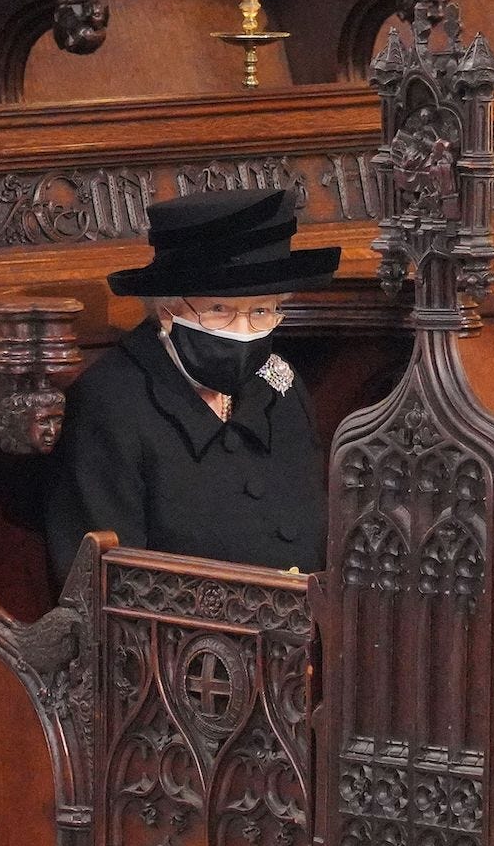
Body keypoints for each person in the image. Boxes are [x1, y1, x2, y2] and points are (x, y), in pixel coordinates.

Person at [44, 188, 341, 585]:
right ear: (167, 311)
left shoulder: (281, 386)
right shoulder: (111, 404)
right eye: (220, 310)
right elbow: (104, 587)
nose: (243, 332)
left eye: (261, 311)